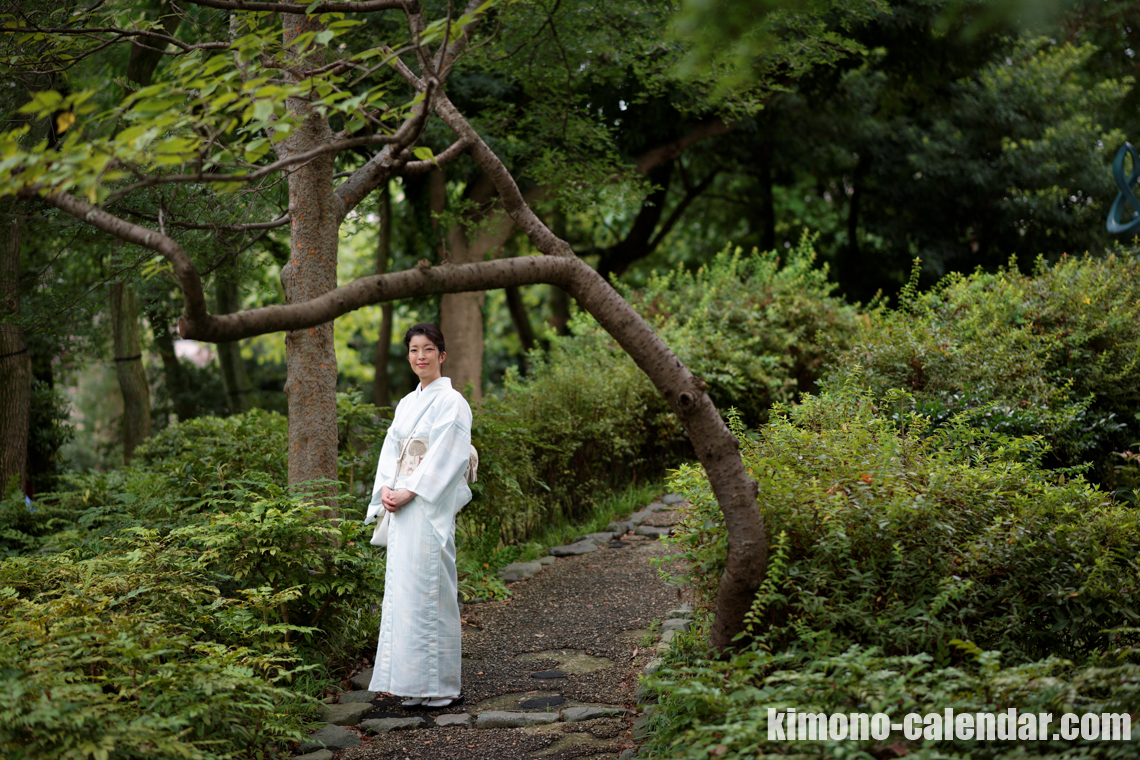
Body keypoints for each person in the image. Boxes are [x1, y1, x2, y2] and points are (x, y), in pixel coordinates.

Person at [364, 323, 472, 708]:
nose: (420, 356)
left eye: (428, 349)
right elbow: (390, 452)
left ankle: (440, 686)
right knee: (404, 595)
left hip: (427, 506)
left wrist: (413, 489)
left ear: (442, 355)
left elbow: (451, 453)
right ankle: (410, 684)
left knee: (432, 591)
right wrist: (386, 492)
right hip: (401, 504)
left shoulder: (452, 402)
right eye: (413, 350)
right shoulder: (407, 403)